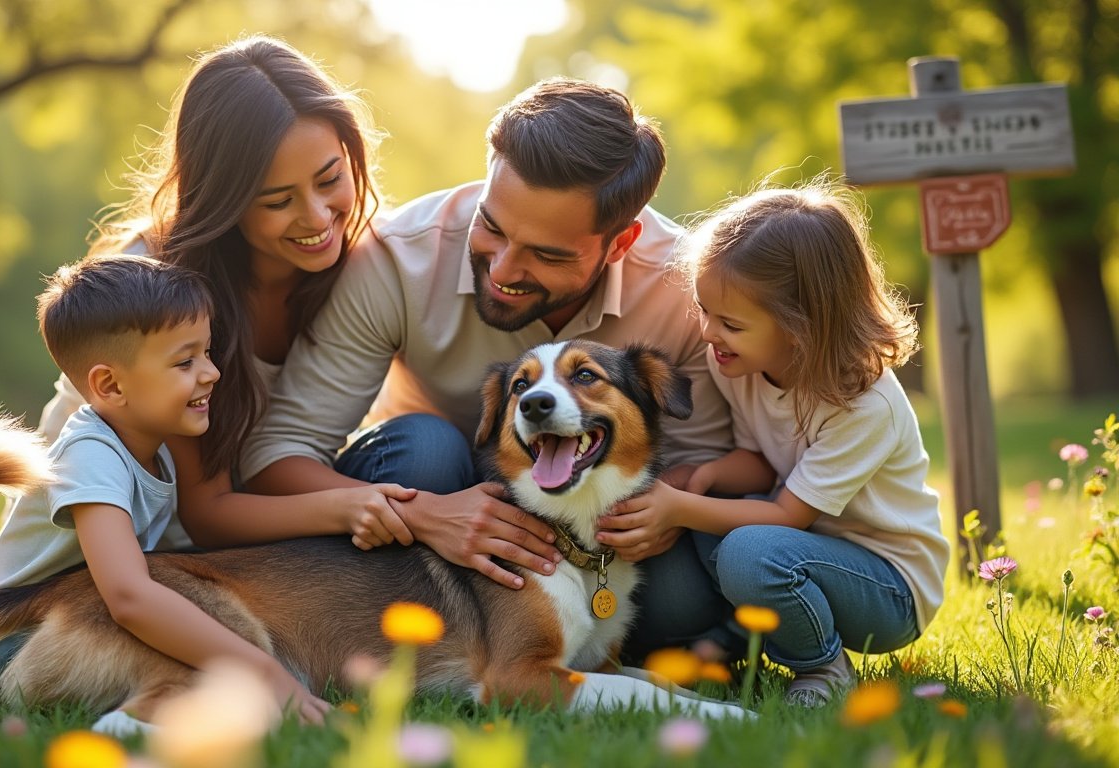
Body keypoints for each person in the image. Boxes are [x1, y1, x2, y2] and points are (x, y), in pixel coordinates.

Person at [228, 78, 735, 653]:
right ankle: (438, 649)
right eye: (491, 226)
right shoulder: (398, 257)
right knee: (425, 450)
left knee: (680, 598)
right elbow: (276, 456)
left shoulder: (686, 285)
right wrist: (424, 515)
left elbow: (708, 461)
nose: (503, 269)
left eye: (547, 254)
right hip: (435, 494)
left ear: (620, 244)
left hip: (604, 513)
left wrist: (659, 513)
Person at [34, 35, 416, 553]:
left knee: (424, 448)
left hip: (257, 529)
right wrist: (360, 506)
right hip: (132, 554)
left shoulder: (366, 261)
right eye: (278, 201)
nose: (318, 217)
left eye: (330, 180)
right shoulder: (159, 283)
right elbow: (207, 513)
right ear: (225, 199)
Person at [595, 180, 951, 705]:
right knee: (721, 516)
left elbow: (788, 516)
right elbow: (763, 463)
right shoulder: (740, 363)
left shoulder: (864, 404)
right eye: (704, 311)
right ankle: (735, 640)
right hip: (804, 548)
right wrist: (708, 479)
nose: (709, 333)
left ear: (800, 327)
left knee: (750, 548)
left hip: (887, 584)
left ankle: (822, 670)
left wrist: (679, 506)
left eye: (731, 323)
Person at [0, 254, 328, 731]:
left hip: (65, 619)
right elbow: (129, 597)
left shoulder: (147, 443)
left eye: (207, 352)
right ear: (111, 386)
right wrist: (263, 670)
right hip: (23, 640)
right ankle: (132, 725)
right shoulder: (91, 455)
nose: (212, 372)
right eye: (185, 361)